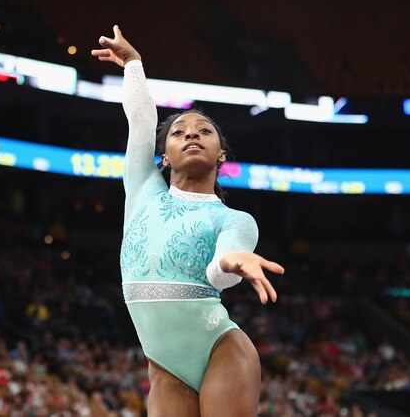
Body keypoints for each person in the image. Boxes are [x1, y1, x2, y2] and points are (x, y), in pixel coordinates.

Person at [92, 26, 285, 417]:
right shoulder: (144, 191)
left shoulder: (233, 218)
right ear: (163, 156)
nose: (191, 134)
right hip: (165, 365)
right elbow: (142, 122)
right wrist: (133, 65)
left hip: (220, 349)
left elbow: (219, 270)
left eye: (204, 131)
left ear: (221, 155)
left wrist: (235, 261)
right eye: (178, 132)